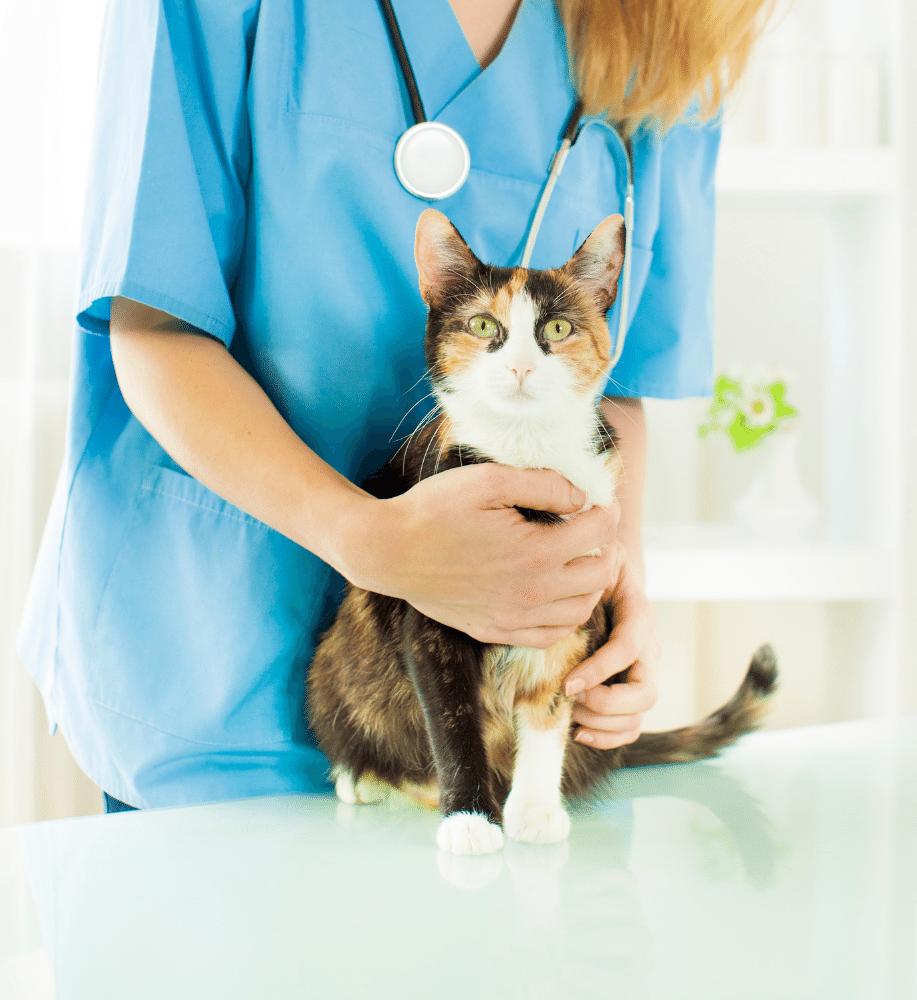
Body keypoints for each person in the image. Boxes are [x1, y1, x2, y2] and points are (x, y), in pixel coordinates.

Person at [18, 0, 769, 811]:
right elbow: (156, 324)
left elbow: (610, 383)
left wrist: (609, 585)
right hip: (212, 678)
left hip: (504, 738)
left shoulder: (674, 26)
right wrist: (370, 540)